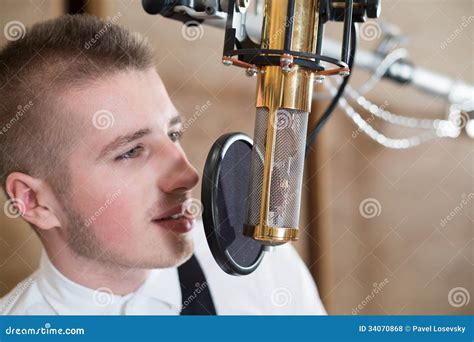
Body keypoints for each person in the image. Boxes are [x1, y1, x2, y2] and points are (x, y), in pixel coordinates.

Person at [0, 14, 326, 315]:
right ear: (33, 201)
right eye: (130, 151)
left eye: (173, 133)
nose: (188, 175)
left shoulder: (262, 269)